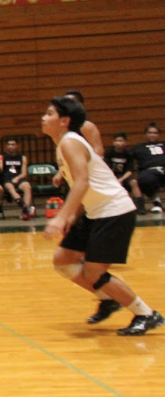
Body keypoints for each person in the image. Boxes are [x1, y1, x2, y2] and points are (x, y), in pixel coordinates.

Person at [42, 96, 162, 336]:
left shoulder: (70, 142)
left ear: (64, 120)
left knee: (93, 271)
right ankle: (109, 298)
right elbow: (85, 185)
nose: (43, 118)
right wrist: (73, 217)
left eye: (49, 114)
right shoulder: (63, 144)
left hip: (114, 211)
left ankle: (146, 314)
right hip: (95, 212)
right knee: (63, 261)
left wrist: (61, 217)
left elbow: (83, 182)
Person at [130, 122, 165, 214]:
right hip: (149, 172)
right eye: (150, 133)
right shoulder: (138, 147)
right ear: (146, 134)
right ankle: (157, 203)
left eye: (155, 133)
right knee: (143, 179)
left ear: (159, 135)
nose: (152, 135)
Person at [0, 138, 35, 220]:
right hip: (7, 178)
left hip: (19, 177)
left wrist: (17, 178)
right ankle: (25, 207)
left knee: (27, 186)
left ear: (17, 146)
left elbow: (24, 173)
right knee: (10, 187)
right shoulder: (2, 157)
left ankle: (24, 212)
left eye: (13, 144)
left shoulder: (22, 157)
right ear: (6, 146)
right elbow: (0, 170)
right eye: (9, 144)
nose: (11, 146)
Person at [103, 132, 139, 213]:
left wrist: (121, 179)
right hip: (111, 175)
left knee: (134, 182)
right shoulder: (109, 152)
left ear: (125, 142)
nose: (118, 143)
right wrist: (115, 179)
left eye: (121, 141)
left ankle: (139, 206)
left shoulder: (129, 153)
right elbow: (106, 168)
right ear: (113, 142)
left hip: (124, 175)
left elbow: (130, 170)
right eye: (116, 141)